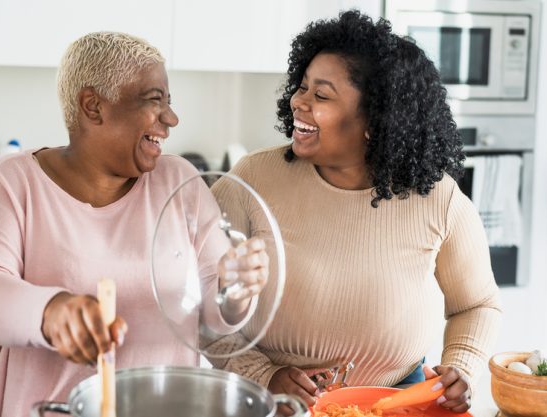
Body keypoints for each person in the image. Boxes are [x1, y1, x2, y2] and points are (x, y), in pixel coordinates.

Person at [0, 32, 269, 416]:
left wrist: (234, 287)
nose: (171, 119)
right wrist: (52, 311)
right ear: (93, 107)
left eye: (169, 102)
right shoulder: (14, 181)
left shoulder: (179, 181)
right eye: (154, 101)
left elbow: (216, 317)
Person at [209, 10, 501, 414]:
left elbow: (477, 305)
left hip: (399, 401)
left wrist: (461, 368)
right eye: (303, 87)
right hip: (273, 402)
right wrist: (264, 374)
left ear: (374, 122)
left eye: (321, 95)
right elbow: (202, 300)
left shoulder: (438, 199)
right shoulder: (253, 179)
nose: (299, 101)